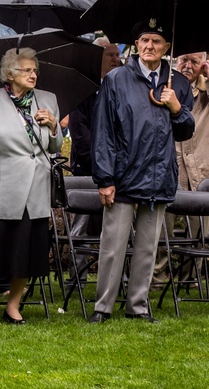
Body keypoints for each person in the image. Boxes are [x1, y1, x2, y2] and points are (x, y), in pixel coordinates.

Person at [88, 19, 195, 324]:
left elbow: (186, 131)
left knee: (148, 248)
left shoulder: (179, 85)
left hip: (159, 175)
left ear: (167, 47)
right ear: (136, 45)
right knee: (113, 246)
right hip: (123, 176)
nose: (149, 46)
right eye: (144, 40)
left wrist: (176, 107)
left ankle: (137, 306)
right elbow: (104, 132)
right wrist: (105, 179)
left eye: (156, 41)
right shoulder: (116, 80)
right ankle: (103, 306)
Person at [0, 47, 63, 324]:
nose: (33, 74)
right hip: (0, 184)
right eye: (27, 70)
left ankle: (13, 304)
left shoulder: (47, 100)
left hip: (35, 186)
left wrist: (53, 126)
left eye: (35, 70)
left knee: (28, 249)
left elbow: (54, 147)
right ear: (10, 74)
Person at [152, 51, 209, 287]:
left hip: (202, 165)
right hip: (171, 163)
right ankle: (157, 277)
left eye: (195, 62)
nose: (188, 65)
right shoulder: (164, 84)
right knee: (162, 225)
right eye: (184, 60)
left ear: (204, 65)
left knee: (200, 229)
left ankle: (191, 279)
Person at [65, 36, 121, 284]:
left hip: (116, 171)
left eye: (117, 55)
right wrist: (101, 161)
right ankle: (78, 274)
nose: (116, 59)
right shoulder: (82, 90)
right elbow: (80, 134)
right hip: (86, 170)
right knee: (82, 224)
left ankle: (120, 274)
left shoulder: (119, 91)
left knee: (118, 224)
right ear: (97, 57)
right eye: (111, 55)